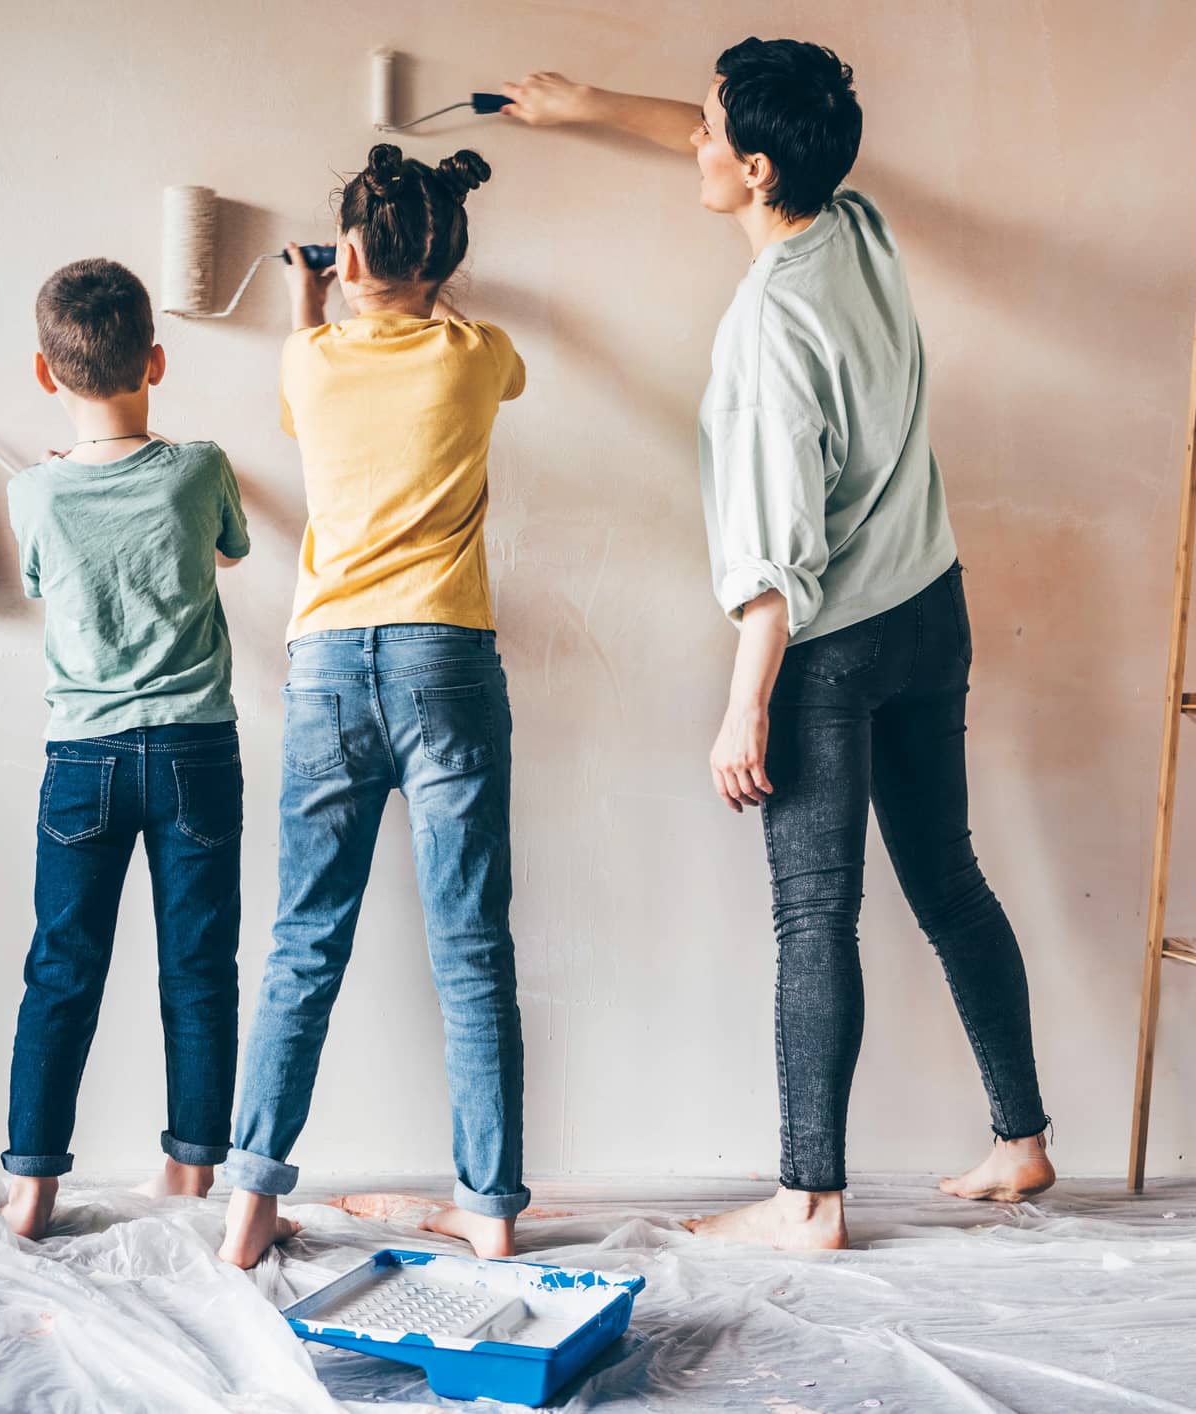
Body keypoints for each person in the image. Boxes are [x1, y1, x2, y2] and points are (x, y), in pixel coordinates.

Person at [500, 40, 1053, 1251]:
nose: (690, 143)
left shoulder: (763, 333)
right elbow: (730, 137)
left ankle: (806, 1199)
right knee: (947, 881)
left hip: (830, 644)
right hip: (929, 607)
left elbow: (772, 567)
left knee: (815, 917)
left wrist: (742, 709)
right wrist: (588, 106)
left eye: (708, 135)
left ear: (754, 168)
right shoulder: (854, 228)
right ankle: (1020, 1140)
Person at [219, 144, 530, 1267]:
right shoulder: (479, 354)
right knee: (471, 947)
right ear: (446, 257)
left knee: (304, 941)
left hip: (328, 668)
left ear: (345, 256)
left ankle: (249, 1208)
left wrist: (314, 292)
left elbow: (311, 366)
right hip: (446, 657)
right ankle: (490, 1209)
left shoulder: (308, 360)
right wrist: (415, 277)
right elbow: (489, 363)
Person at [1, 258, 251, 1238]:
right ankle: (188, 1175)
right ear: (155, 358)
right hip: (194, 751)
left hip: (83, 761)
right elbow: (230, 548)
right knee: (197, 965)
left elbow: (35, 584)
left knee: (60, 966)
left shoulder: (35, 494)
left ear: (42, 372)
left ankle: (30, 1189)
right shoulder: (199, 469)